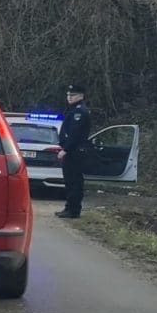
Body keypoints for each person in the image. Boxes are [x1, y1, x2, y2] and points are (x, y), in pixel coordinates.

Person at [56, 84, 91, 219]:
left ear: (81, 96)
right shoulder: (74, 110)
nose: (69, 98)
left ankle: (73, 210)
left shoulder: (79, 112)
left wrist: (66, 149)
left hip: (75, 152)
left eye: (73, 95)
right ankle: (69, 207)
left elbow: (75, 134)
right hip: (73, 151)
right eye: (68, 95)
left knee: (74, 181)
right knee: (70, 181)